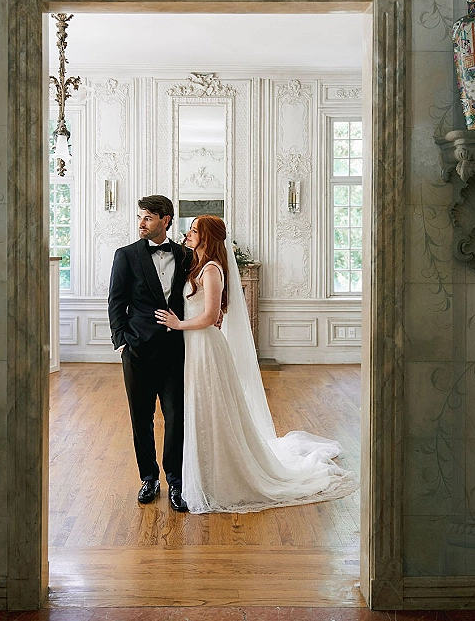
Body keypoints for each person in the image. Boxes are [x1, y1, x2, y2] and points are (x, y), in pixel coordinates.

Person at [155, 215, 359, 513]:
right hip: (193, 346)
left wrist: (178, 323)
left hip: (205, 347)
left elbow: (211, 316)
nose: (188, 234)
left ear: (207, 237)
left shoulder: (211, 270)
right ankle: (201, 473)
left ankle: (220, 477)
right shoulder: (196, 265)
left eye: (194, 230)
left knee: (210, 409)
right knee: (198, 410)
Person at [108, 195, 191, 512]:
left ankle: (176, 483)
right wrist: (123, 341)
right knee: (140, 419)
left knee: (175, 419)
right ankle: (149, 478)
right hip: (137, 351)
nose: (141, 223)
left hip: (174, 351)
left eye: (147, 218)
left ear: (165, 220)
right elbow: (116, 301)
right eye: (139, 217)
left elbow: (194, 295)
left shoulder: (185, 255)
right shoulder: (126, 256)